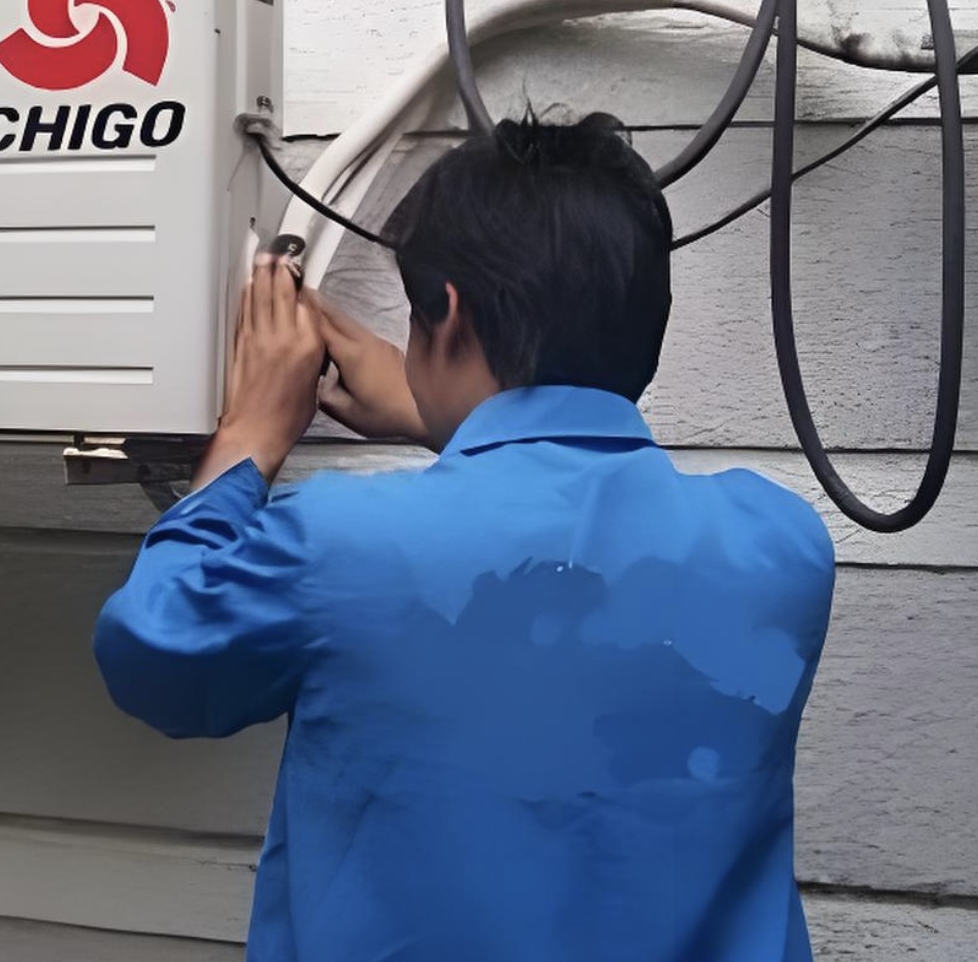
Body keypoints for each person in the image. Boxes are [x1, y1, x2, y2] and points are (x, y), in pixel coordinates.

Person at [93, 114, 836, 962]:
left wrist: (250, 436)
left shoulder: (339, 543)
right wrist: (458, 419)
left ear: (446, 314)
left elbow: (153, 655)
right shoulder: (783, 548)